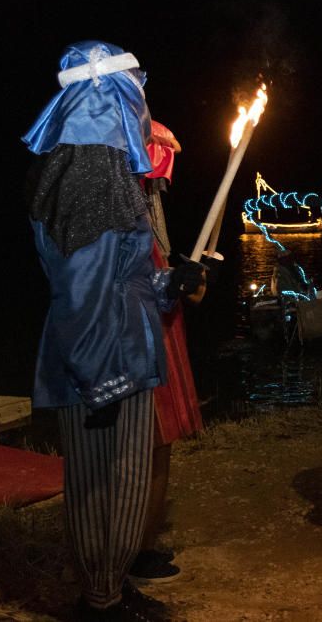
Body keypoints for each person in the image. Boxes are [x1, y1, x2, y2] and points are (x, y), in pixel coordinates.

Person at [23, 41, 204, 620]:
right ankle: (101, 602)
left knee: (114, 482)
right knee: (108, 483)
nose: (142, 107)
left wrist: (172, 283)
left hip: (116, 344)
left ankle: (109, 586)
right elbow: (80, 290)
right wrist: (98, 380)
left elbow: (118, 275)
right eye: (134, 95)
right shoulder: (89, 171)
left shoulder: (93, 165)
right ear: (108, 99)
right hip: (104, 358)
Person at [128, 120, 206, 586]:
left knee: (161, 443)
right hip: (133, 341)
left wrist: (184, 281)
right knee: (140, 444)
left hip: (159, 330)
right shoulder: (111, 207)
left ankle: (145, 544)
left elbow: (161, 271)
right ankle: (127, 550)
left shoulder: (146, 211)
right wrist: (166, 285)